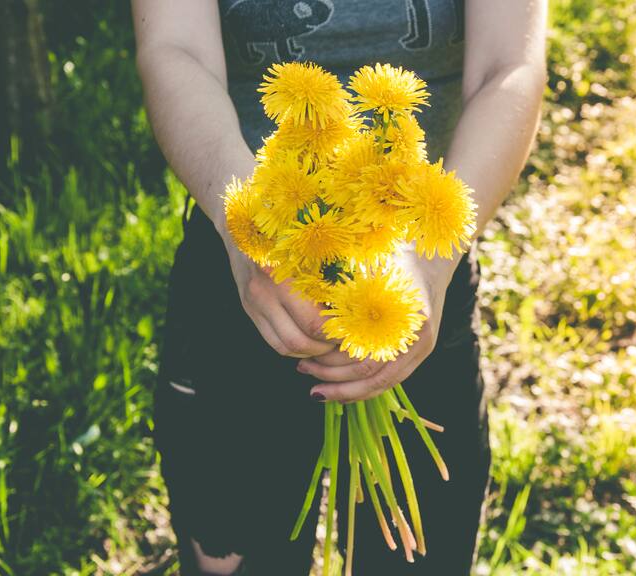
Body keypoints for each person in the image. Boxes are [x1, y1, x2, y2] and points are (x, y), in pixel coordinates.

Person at [131, 1, 546, 574]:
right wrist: (248, 227)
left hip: (418, 276)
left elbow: (509, 67)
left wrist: (429, 262)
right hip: (241, 263)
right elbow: (176, 50)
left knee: (417, 559)